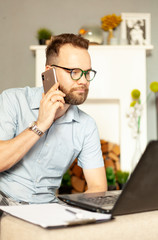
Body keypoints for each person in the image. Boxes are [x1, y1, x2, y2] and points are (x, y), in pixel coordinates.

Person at [0, 33, 107, 205]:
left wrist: (78, 213)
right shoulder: (13, 100)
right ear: (50, 72)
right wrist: (40, 125)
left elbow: (98, 186)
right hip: (3, 200)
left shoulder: (86, 125)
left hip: (48, 207)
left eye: (87, 73)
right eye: (75, 72)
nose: (84, 81)